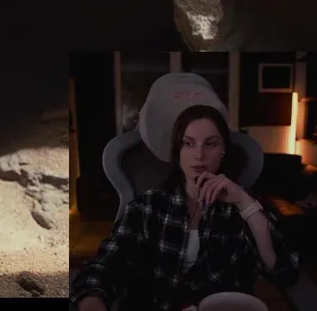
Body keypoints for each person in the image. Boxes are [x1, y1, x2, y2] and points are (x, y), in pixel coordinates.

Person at [71, 103, 300, 311]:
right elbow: (106, 264)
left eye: (211, 143)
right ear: (177, 151)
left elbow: (285, 273)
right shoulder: (147, 207)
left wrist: (245, 203)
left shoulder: (246, 207)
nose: (199, 155)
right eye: (188, 143)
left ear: (223, 150)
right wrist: (92, 299)